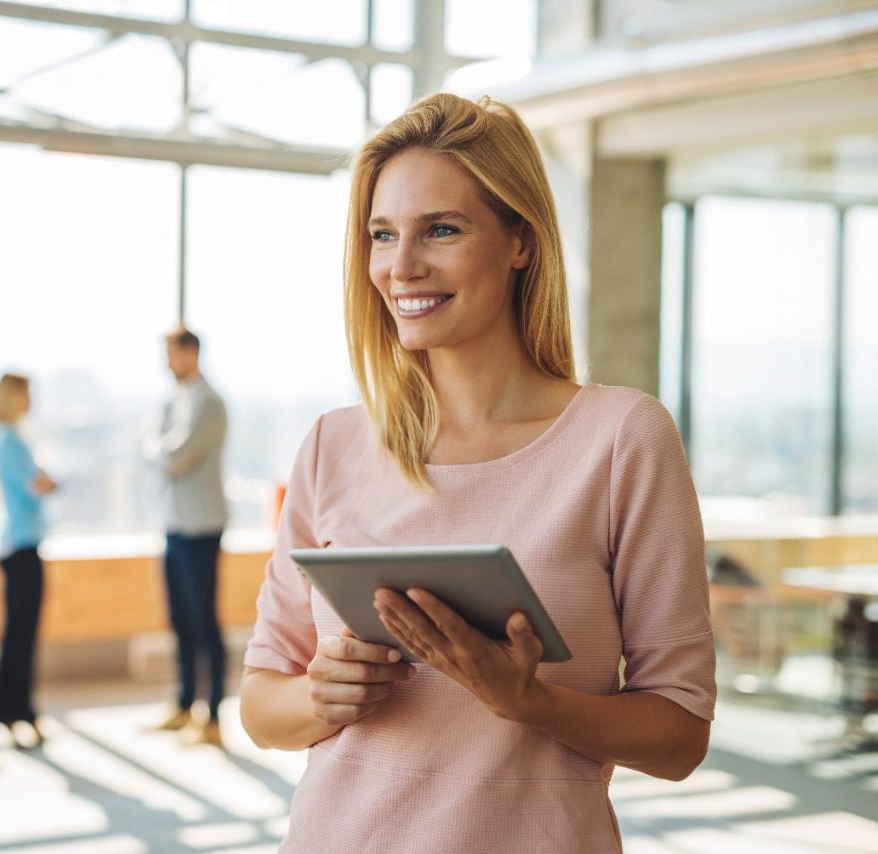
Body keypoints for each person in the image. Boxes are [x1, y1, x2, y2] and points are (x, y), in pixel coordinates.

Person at [239, 93, 715, 852]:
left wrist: (530, 701)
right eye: (382, 234)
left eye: (444, 230)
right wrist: (323, 696)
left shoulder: (622, 439)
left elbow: (680, 735)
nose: (402, 266)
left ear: (521, 241)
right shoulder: (332, 445)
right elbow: (262, 704)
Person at [141, 327, 230, 748]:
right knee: (178, 617)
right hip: (174, 522)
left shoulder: (210, 404)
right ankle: (182, 705)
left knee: (203, 620)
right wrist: (164, 453)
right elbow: (152, 449)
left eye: (171, 353)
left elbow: (176, 457)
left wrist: (162, 452)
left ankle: (211, 716)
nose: (166, 362)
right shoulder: (171, 401)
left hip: (202, 525)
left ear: (191, 352)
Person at [0, 373, 57, 748]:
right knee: (21, 635)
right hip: (22, 544)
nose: (33, 400)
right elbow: (34, 487)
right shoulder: (9, 440)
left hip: (13, 543)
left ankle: (14, 710)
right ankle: (17, 711)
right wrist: (49, 481)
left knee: (17, 633)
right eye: (28, 393)